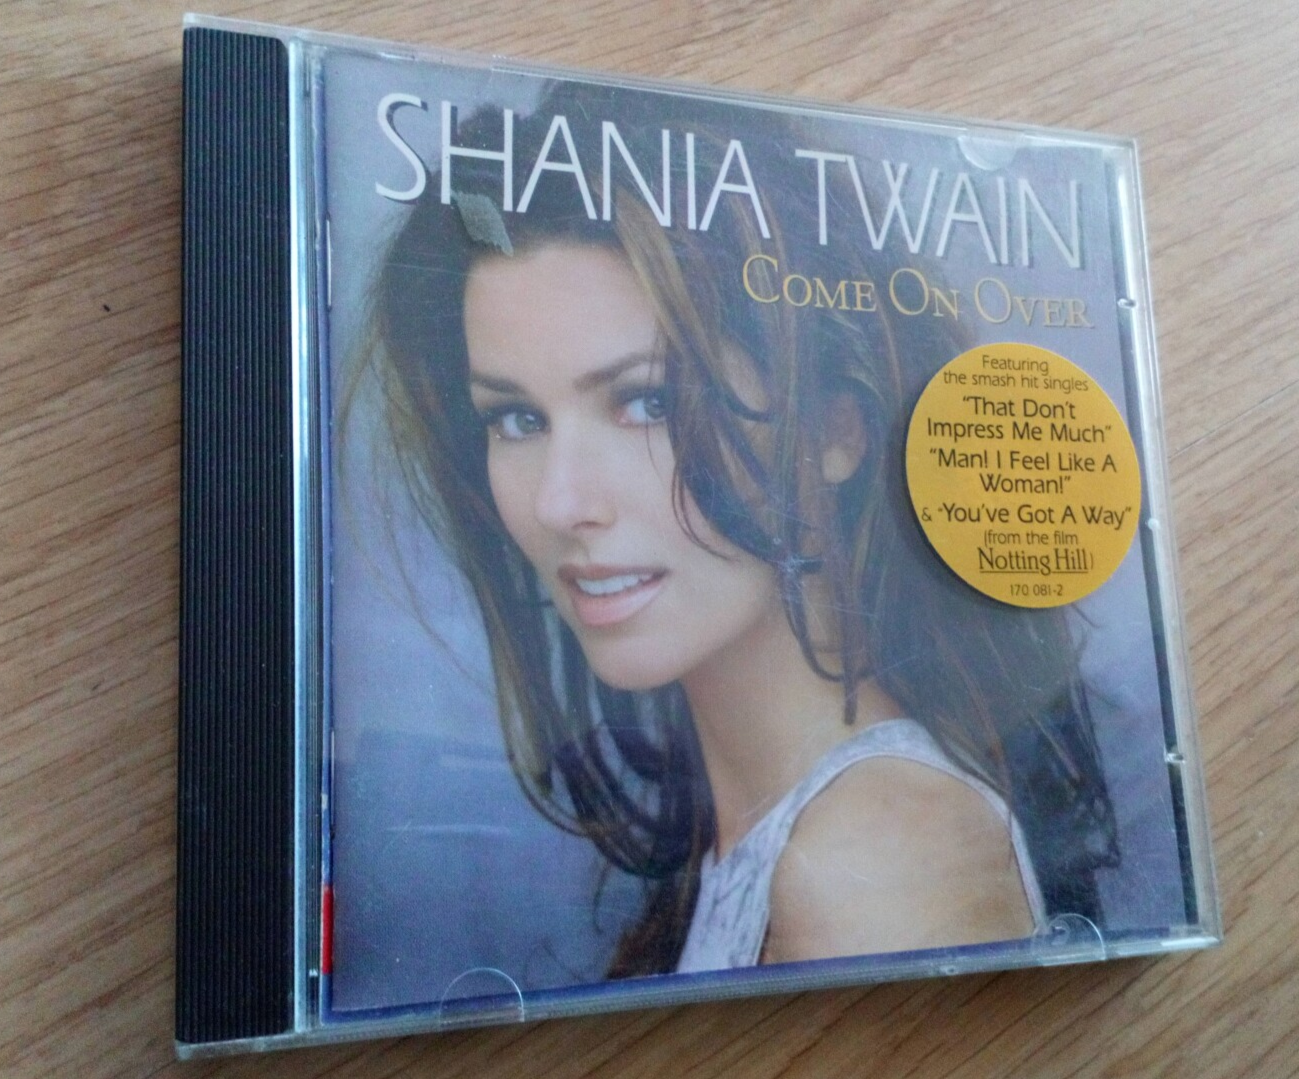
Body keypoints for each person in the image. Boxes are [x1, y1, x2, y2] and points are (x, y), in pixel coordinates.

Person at [358, 92, 1117, 978]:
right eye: (517, 419)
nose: (561, 502)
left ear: (834, 429)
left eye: (645, 401)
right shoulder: (768, 835)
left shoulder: (881, 851)